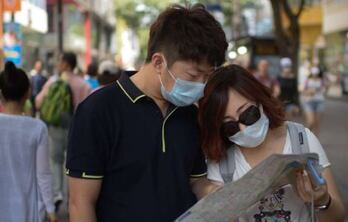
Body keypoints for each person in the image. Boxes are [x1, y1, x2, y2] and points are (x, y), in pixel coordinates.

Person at [65, 4, 228, 222]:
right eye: (193, 75)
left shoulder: (189, 114)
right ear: (158, 61)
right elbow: (80, 203)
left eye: (207, 76)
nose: (201, 85)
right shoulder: (98, 111)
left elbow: (194, 181)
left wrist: (215, 191)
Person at [198, 64, 345, 222]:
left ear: (260, 100)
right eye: (230, 126)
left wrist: (323, 201)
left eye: (248, 114)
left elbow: (337, 217)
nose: (243, 128)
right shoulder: (221, 161)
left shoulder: (301, 139)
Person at [0, 62, 57, 222]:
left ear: (1, 94)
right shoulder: (37, 128)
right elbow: (43, 174)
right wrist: (51, 210)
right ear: (27, 93)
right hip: (27, 210)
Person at [36, 52, 92, 211]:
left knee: (56, 161)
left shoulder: (54, 82)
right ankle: (71, 198)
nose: (57, 64)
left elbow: (38, 102)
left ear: (66, 64)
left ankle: (57, 193)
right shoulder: (84, 85)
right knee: (74, 164)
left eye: (60, 61)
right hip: (78, 129)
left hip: (56, 128)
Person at [300, 66, 326, 137]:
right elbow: (302, 90)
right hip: (309, 102)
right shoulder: (307, 80)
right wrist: (309, 91)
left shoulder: (321, 80)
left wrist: (323, 89)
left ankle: (315, 139)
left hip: (319, 101)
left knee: (317, 122)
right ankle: (307, 136)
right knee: (310, 122)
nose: (315, 75)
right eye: (313, 74)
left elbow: (324, 89)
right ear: (311, 73)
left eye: (316, 74)